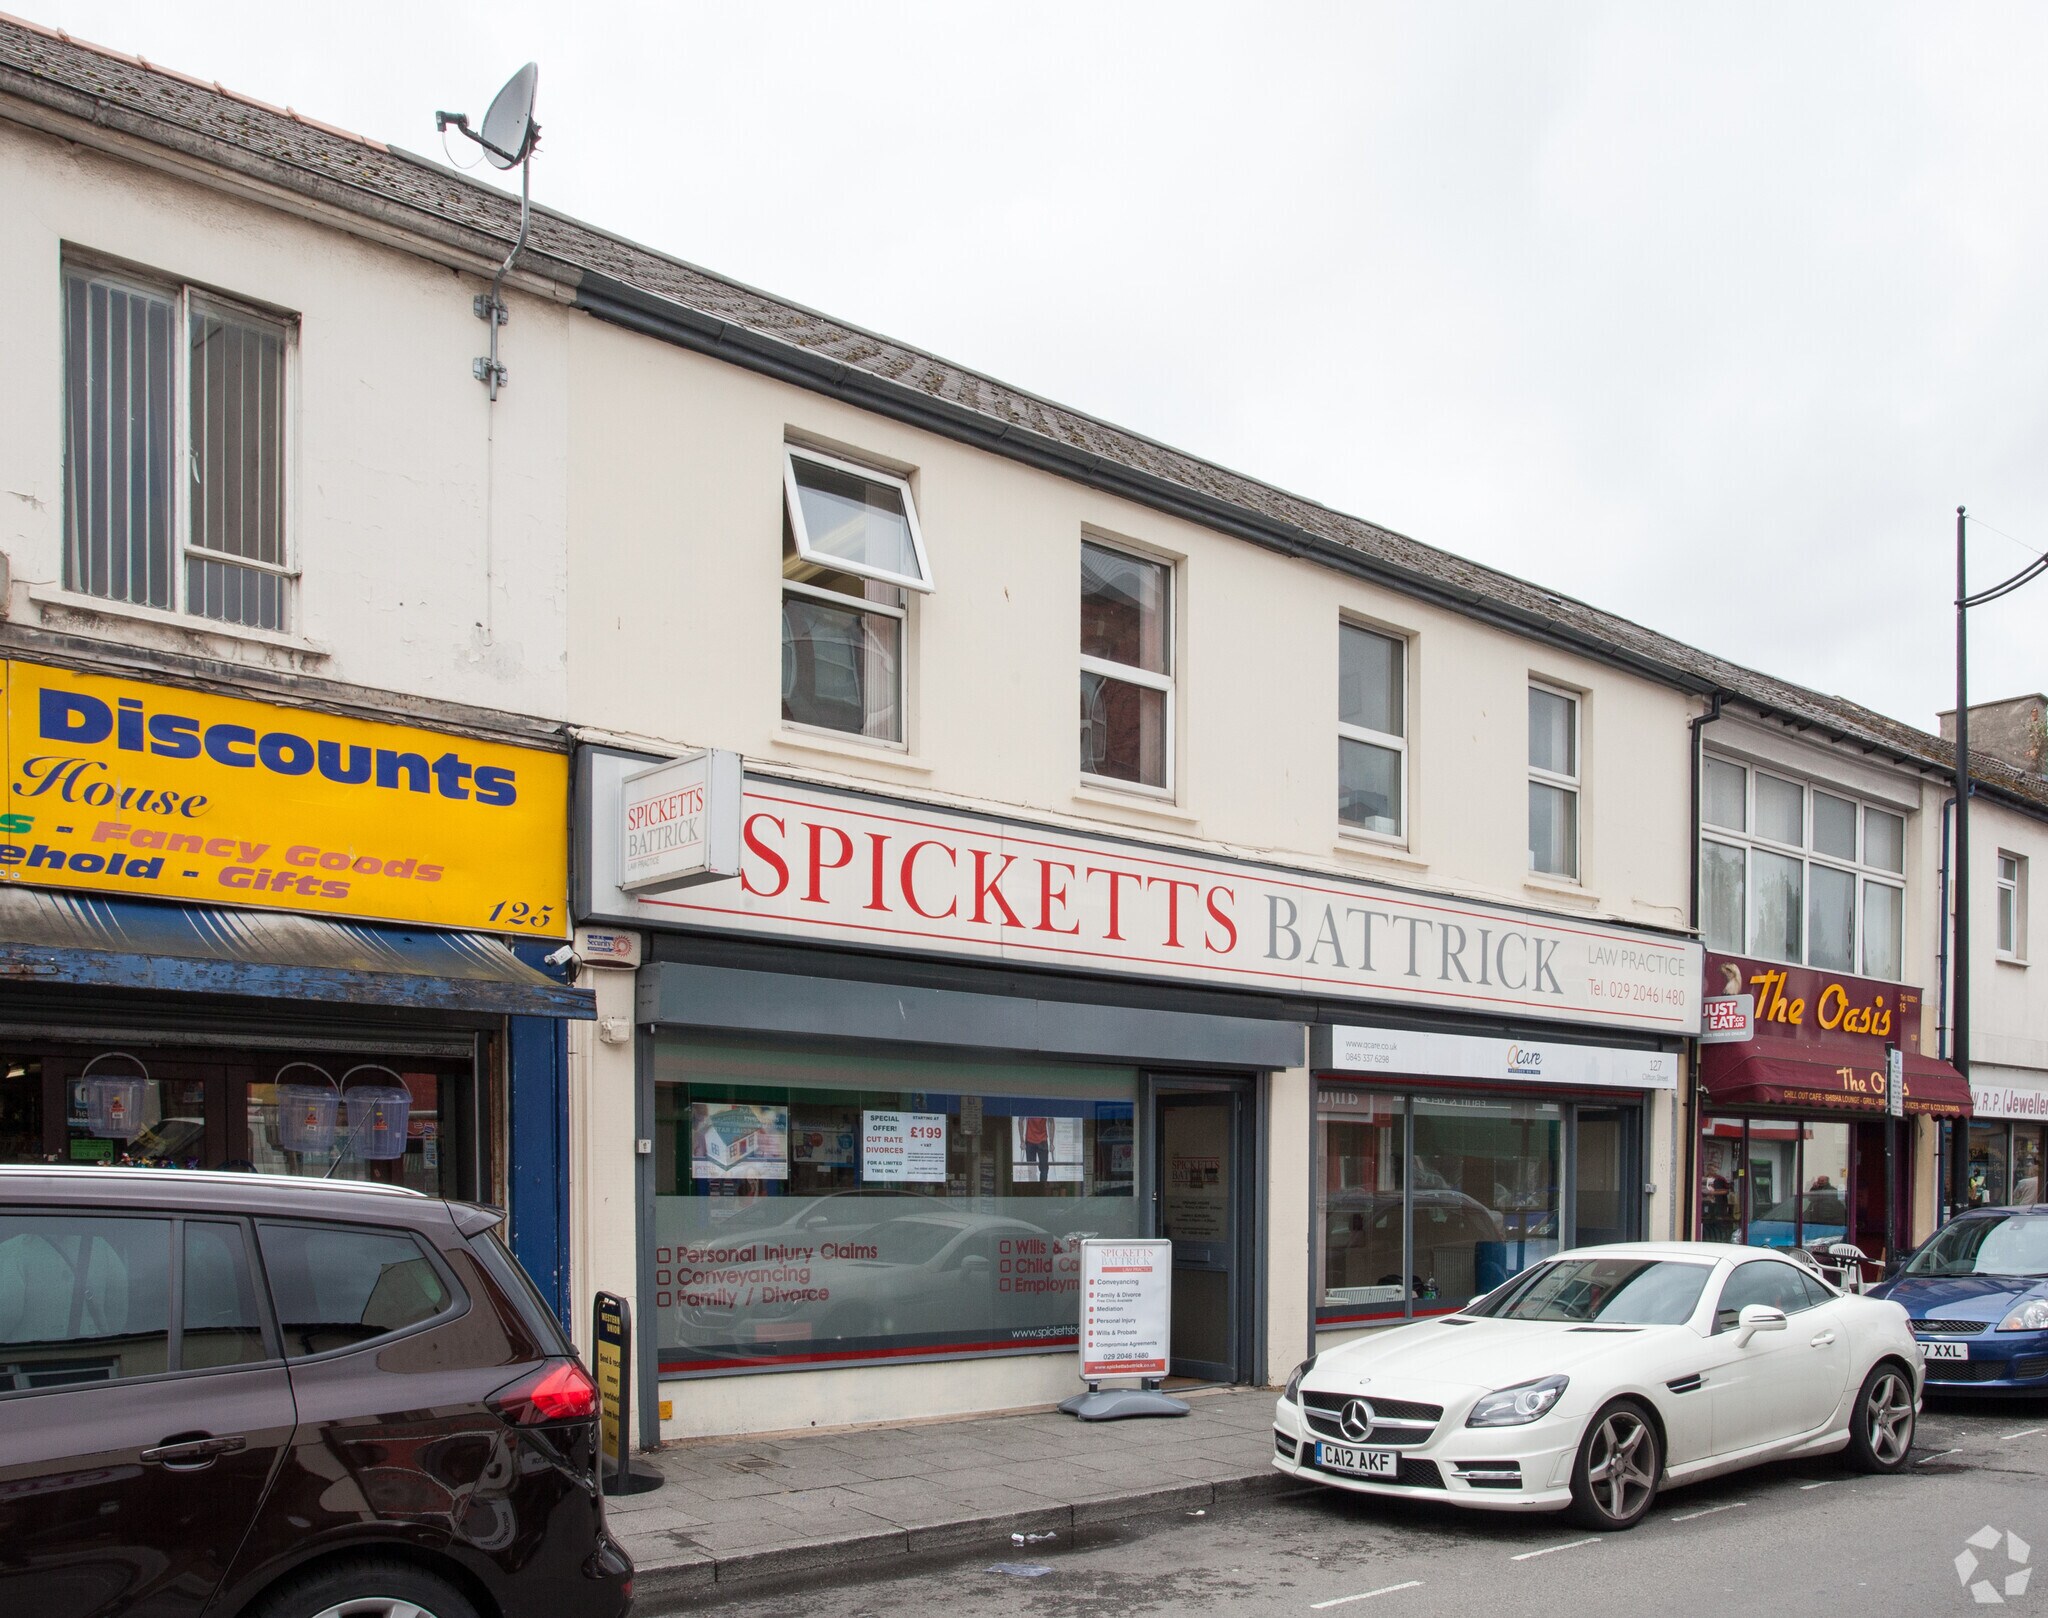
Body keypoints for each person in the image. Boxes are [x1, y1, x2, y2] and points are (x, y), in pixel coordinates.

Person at [1020, 1116, 1050, 1182]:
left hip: (1042, 1140)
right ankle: (1036, 1189)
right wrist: (1022, 1141)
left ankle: (1040, 1188)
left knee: (1043, 1170)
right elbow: (1020, 1120)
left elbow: (1051, 1121)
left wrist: (1052, 1142)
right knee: (1032, 1170)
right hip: (1031, 1140)